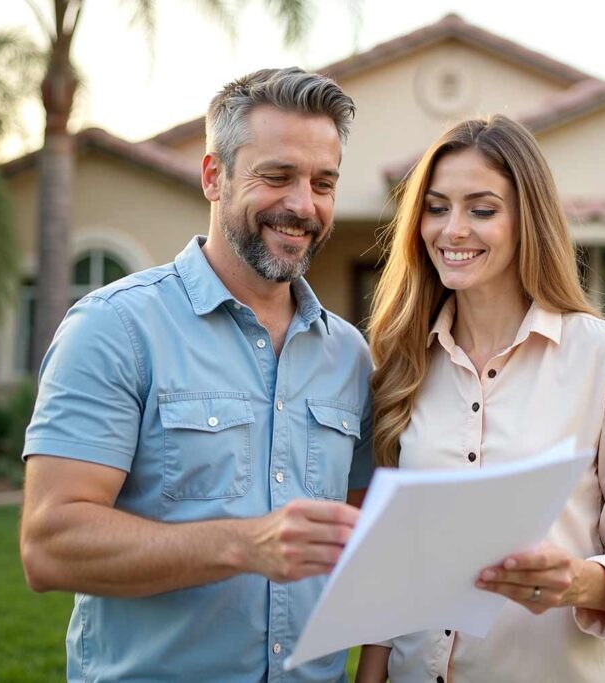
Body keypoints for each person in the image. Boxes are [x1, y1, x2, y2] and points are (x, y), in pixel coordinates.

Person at [19, 67, 374, 683]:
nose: (302, 204)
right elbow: (50, 545)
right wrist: (244, 545)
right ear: (215, 176)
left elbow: (366, 543)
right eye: (277, 176)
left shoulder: (351, 355)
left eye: (323, 183)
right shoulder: (115, 329)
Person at [357, 115, 605, 682]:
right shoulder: (400, 363)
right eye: (436, 208)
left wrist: (578, 581)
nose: (453, 230)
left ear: (527, 220)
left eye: (482, 209)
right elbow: (392, 562)